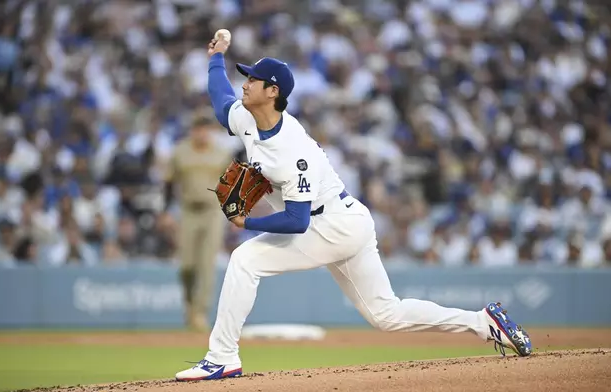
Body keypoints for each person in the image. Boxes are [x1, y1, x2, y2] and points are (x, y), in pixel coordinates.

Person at [175, 31, 532, 381]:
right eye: (247, 77)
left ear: (273, 92)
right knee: (386, 314)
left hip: (330, 225)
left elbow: (298, 221)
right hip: (346, 219)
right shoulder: (247, 119)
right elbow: (221, 101)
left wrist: (248, 223)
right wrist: (216, 58)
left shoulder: (292, 150)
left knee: (244, 260)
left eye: (253, 79)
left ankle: (222, 358)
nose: (246, 83)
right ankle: (483, 322)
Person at [164, 113, 233, 331]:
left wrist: (234, 212)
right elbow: (167, 183)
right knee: (186, 266)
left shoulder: (221, 153)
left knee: (206, 265)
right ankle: (189, 306)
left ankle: (200, 313)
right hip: (187, 211)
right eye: (198, 128)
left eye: (206, 128)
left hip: (212, 211)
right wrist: (165, 211)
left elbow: (231, 185)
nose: (202, 132)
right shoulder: (180, 152)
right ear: (192, 130)